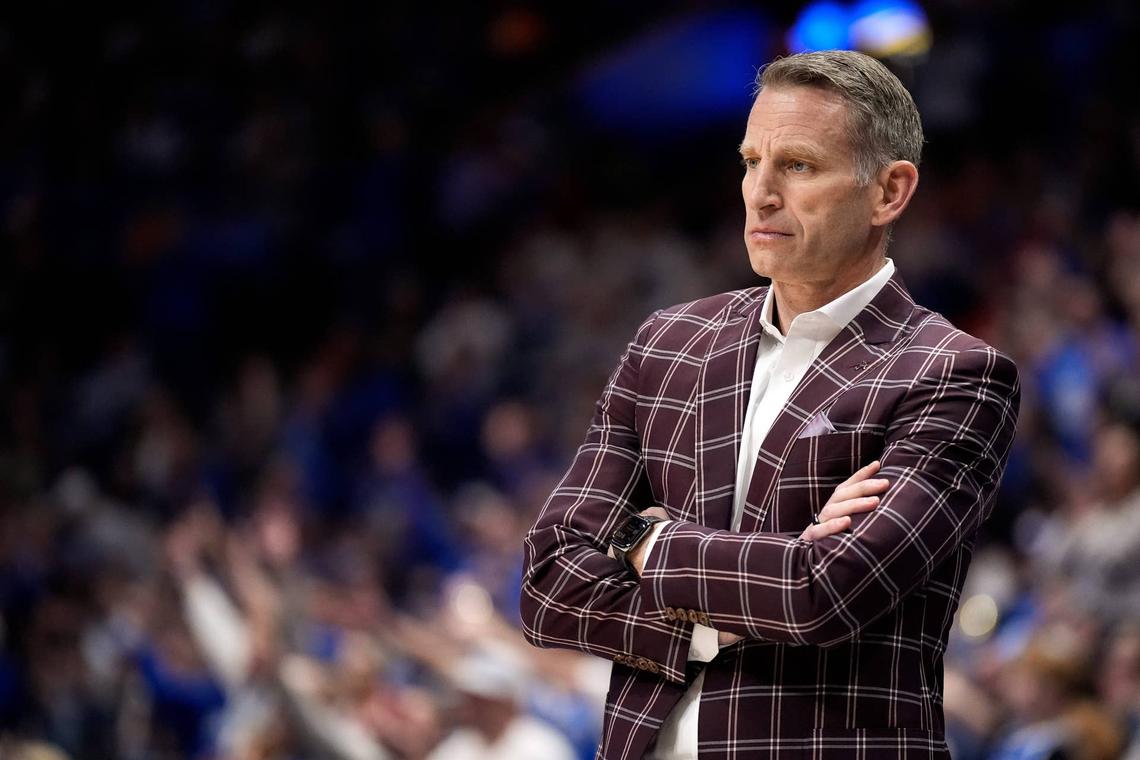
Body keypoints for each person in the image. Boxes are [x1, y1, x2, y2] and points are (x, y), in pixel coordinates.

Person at [520, 49, 1021, 759]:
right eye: (751, 161)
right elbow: (547, 582)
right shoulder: (669, 343)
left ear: (890, 191)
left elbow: (826, 592)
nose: (759, 192)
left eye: (799, 166)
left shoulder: (954, 374)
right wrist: (714, 617)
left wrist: (641, 541)